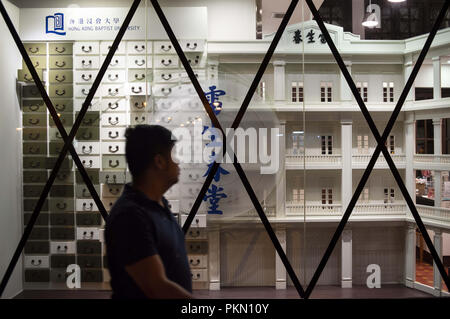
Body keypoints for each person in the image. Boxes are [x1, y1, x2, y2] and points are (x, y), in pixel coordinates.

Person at [105, 124, 193, 299]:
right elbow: (157, 288)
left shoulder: (159, 205)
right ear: (159, 161)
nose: (178, 161)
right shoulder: (130, 217)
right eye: (173, 155)